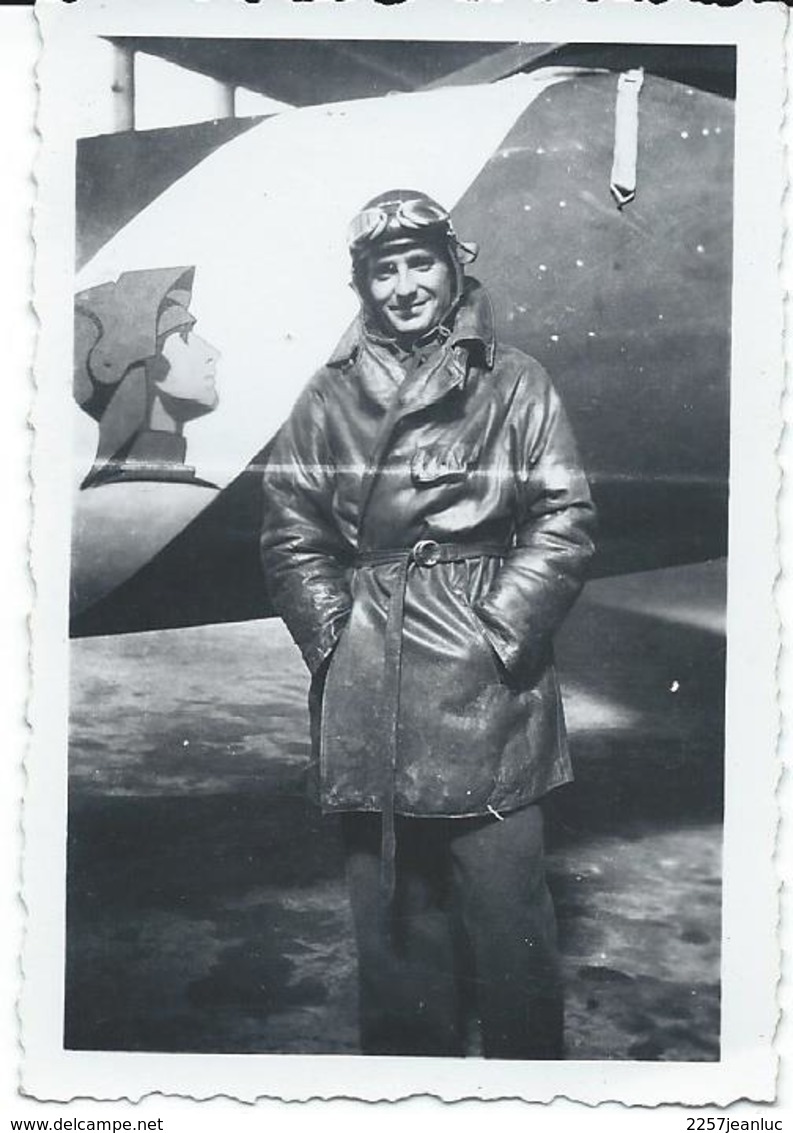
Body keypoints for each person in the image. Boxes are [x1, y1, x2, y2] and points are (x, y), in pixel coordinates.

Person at [260, 189, 596, 1059]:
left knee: (508, 916)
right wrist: (336, 639)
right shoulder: (328, 393)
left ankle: (534, 1107)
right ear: (363, 284)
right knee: (395, 927)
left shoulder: (515, 379)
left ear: (453, 266)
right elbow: (290, 528)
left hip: (486, 672)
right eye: (385, 269)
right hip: (374, 671)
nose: (405, 285)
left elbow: (563, 516)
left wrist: (499, 629)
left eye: (420, 263)